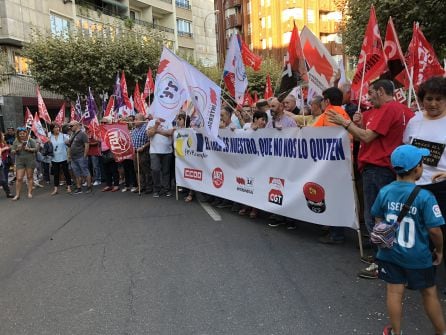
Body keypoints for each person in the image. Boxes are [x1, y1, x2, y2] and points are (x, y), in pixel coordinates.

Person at [327, 79, 414, 279]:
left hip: (378, 168)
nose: (368, 96)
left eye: (371, 92)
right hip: (386, 169)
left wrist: (345, 122)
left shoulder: (388, 109)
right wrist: (357, 123)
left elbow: (366, 137)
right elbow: (363, 134)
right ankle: (383, 256)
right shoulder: (401, 110)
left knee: (376, 217)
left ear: (381, 91)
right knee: (383, 216)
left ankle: (381, 261)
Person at [372, 145, 445, 335]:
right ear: (418, 169)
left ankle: (396, 332)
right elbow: (435, 230)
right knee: (429, 293)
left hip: (390, 254)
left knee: (394, 292)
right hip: (418, 257)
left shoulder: (385, 191)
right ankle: (441, 331)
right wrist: (439, 250)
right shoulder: (425, 197)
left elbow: (378, 218)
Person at [403, 76, 446, 272]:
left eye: (439, 98)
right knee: (420, 231)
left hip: (441, 187)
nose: (434, 103)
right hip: (416, 186)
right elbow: (406, 148)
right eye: (429, 98)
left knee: (441, 231)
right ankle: (424, 272)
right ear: (422, 100)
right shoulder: (415, 120)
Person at [313, 87, 351, 244]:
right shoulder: (343, 113)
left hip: (332, 165)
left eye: (323, 100)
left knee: (333, 198)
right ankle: (335, 229)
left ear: (326, 101)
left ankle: (337, 234)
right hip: (344, 163)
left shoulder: (329, 115)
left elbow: (313, 136)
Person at [147, 116, 174, 198]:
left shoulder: (169, 121)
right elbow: (149, 134)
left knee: (166, 171)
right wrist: (156, 126)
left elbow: (170, 133)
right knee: (155, 170)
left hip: (167, 151)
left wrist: (157, 131)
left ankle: (166, 189)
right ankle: (157, 189)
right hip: (154, 151)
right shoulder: (151, 122)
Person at [10, 127, 37, 200]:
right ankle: (17, 195)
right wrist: (16, 149)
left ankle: (29, 192)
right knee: (19, 178)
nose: (22, 135)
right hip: (20, 161)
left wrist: (29, 149)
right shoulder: (16, 141)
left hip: (30, 160)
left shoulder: (30, 140)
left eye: (23, 133)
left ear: (26, 133)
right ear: (18, 134)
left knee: (29, 177)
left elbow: (36, 149)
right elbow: (12, 151)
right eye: (20, 134)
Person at [67, 121, 92, 194]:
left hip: (81, 156)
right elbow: (70, 144)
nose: (70, 128)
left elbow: (87, 145)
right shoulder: (72, 134)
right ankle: (79, 188)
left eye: (71, 126)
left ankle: (89, 187)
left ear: (77, 125)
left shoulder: (83, 134)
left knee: (85, 172)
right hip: (73, 158)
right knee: (76, 173)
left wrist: (85, 156)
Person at [131, 113, 152, 194]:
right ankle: (141, 186)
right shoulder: (134, 130)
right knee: (137, 170)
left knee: (146, 170)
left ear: (142, 120)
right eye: (134, 119)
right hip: (135, 152)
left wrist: (143, 147)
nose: (134, 121)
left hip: (144, 152)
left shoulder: (146, 129)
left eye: (136, 119)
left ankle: (149, 187)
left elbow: (150, 141)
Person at [49, 123, 72, 195]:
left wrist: (68, 142)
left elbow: (69, 144)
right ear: (52, 129)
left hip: (63, 157)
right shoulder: (50, 137)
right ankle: (55, 189)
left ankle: (69, 187)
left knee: (66, 172)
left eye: (58, 127)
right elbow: (48, 147)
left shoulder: (63, 136)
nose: (57, 129)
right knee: (56, 174)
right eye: (55, 127)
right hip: (54, 158)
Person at [0, 131, 13, 198]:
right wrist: (4, 148)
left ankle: (8, 193)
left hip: (1, 163)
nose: (4, 136)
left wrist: (8, 147)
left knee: (3, 179)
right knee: (3, 179)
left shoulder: (4, 142)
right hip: (3, 160)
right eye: (2, 135)